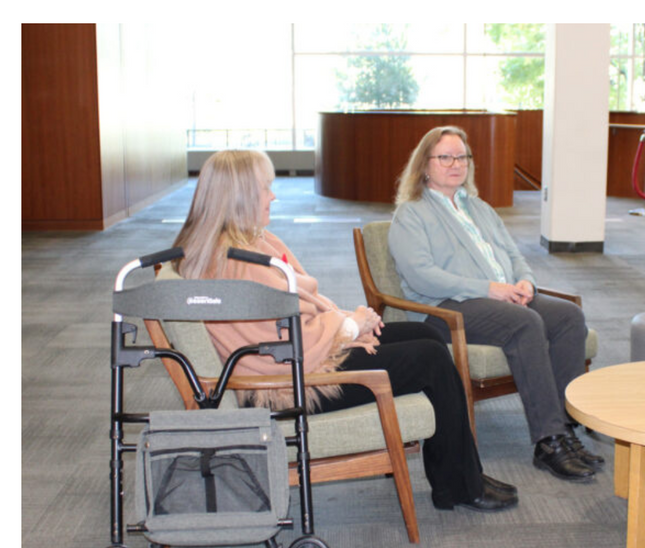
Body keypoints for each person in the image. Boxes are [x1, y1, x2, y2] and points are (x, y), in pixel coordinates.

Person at [171, 149, 518, 513]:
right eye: (265, 188)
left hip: (295, 363)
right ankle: (461, 485)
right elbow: (282, 342)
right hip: (283, 386)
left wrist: (350, 323)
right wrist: (349, 325)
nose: (273, 196)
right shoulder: (236, 262)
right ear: (238, 195)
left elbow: (289, 320)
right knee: (430, 357)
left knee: (425, 336)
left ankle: (461, 472)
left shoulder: (240, 243)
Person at [388, 126, 604, 482]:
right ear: (425, 165)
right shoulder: (411, 214)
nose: (455, 164)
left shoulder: (480, 208)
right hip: (445, 310)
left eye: (462, 156)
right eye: (445, 157)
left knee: (568, 316)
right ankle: (548, 441)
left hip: (501, 297)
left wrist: (525, 282)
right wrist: (489, 288)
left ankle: (565, 429)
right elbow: (422, 276)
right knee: (525, 324)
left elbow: (512, 254)